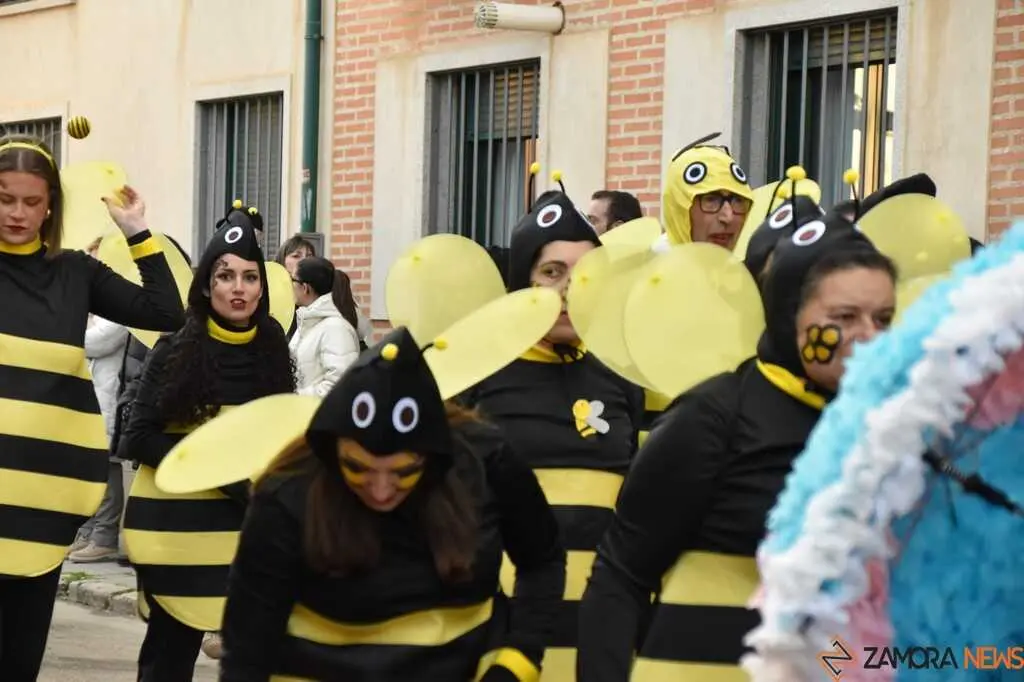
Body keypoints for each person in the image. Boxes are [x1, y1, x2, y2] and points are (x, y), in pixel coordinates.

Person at [577, 195, 898, 681]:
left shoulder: (893, 427)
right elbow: (620, 576)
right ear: (789, 313)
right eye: (845, 317)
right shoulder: (712, 417)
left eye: (883, 319)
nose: (869, 337)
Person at [218, 327, 567, 680]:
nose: (381, 491)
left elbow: (543, 560)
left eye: (403, 472)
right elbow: (247, 645)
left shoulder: (486, 462)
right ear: (331, 449)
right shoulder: (287, 495)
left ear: (433, 457)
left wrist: (518, 660)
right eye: (358, 468)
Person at [0, 136, 185, 680]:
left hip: (43, 504)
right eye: (5, 198)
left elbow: (165, 312)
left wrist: (136, 232)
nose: (17, 212)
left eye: (31, 202)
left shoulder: (75, 273)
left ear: (51, 204)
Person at [461, 180, 643, 681]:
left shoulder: (622, 378)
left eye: (583, 274)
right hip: (505, 633)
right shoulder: (479, 381)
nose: (568, 287)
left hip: (602, 635)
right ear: (525, 283)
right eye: (552, 272)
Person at [121, 201, 295, 682]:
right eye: (225, 276)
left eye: (249, 277)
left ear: (262, 286)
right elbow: (136, 439)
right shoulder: (175, 346)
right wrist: (216, 472)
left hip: (247, 535)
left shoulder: (273, 348)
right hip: (179, 534)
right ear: (207, 284)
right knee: (168, 661)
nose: (238, 289)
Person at [68, 239, 132, 563]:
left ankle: (104, 535)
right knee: (91, 468)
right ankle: (89, 531)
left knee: (106, 470)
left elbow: (96, 341)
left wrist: (76, 324)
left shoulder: (117, 301)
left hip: (109, 394)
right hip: (94, 391)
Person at [290, 256, 362, 396]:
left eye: (292, 280)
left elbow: (341, 385)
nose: (290, 286)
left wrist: (296, 397)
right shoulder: (307, 322)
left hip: (318, 415)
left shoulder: (336, 329)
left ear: (305, 288)